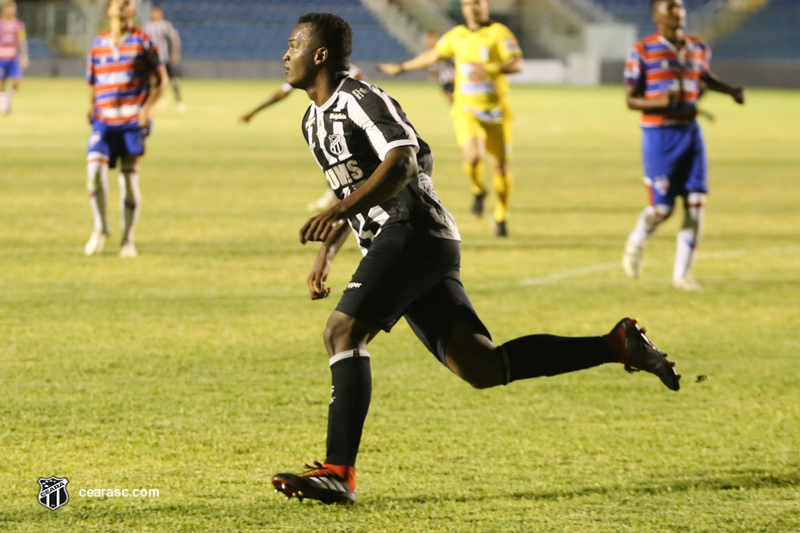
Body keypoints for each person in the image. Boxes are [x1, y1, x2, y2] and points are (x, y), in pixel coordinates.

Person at [270, 12, 680, 506]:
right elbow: (354, 187)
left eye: (293, 45)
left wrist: (339, 211)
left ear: (320, 54)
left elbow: (403, 160)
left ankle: (339, 472)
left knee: (342, 332)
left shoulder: (361, 99)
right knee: (481, 366)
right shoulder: (311, 119)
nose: (285, 54)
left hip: (414, 232)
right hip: (401, 240)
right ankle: (615, 345)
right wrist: (331, 246)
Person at [622, 0, 744, 290]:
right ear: (656, 15)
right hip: (659, 135)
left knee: (696, 203)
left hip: (691, 133)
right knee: (662, 210)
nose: (678, 11)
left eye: (680, 6)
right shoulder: (642, 50)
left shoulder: (698, 47)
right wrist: (659, 102)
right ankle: (637, 240)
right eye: (670, 7)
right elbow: (630, 99)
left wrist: (730, 91)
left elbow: (703, 78)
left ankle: (682, 275)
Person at [379, 0, 523, 237]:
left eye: (477, 3)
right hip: (466, 110)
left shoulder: (499, 33)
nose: (472, 8)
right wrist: (402, 68)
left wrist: (492, 68)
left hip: (497, 112)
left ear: (486, 5)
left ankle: (501, 215)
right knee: (474, 158)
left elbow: (516, 63)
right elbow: (433, 55)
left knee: (500, 167)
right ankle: (478, 189)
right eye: (467, 4)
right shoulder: (457, 36)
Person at [84, 0, 168, 258]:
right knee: (94, 172)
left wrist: (145, 109)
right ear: (109, 9)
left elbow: (161, 81)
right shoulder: (98, 45)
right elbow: (93, 81)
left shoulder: (143, 43)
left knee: (129, 180)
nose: (121, 5)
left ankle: (127, 239)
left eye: (127, 3)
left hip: (132, 120)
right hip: (104, 119)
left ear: (133, 11)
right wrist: (90, 106)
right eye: (117, 2)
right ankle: (101, 228)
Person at [239, 64, 364, 212]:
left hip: (352, 124)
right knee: (333, 160)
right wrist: (254, 111)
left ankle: (346, 200)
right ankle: (335, 197)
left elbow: (361, 92)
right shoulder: (307, 69)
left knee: (349, 162)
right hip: (329, 123)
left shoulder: (349, 72)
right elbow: (282, 93)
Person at [143, 4, 184, 112]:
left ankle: (178, 100)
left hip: (164, 57)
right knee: (153, 80)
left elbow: (174, 38)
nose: (155, 15)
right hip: (152, 59)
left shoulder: (165, 25)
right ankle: (159, 98)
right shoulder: (147, 26)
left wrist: (175, 52)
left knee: (173, 79)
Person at [0, 0, 27, 115]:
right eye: (9, 7)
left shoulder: (18, 24)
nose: (11, 10)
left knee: (16, 81)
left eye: (13, 7)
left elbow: (21, 40)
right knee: (2, 82)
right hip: (1, 57)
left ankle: (6, 98)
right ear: (4, 9)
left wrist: (24, 56)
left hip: (13, 57)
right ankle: (4, 105)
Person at [424, 32, 455, 106]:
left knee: (452, 96)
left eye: (428, 39)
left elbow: (454, 62)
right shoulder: (431, 51)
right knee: (448, 96)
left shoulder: (443, 49)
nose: (426, 41)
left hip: (452, 77)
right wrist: (433, 75)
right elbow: (435, 67)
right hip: (444, 78)